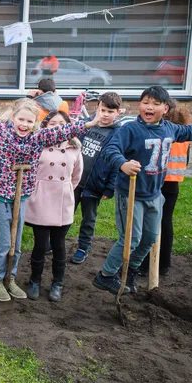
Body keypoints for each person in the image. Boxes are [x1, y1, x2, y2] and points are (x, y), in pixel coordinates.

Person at [0, 76, 101, 302]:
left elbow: (62, 132)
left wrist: (90, 123)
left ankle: (10, 279)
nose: (24, 124)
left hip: (21, 197)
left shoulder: (37, 137)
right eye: (20, 119)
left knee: (17, 243)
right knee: (4, 243)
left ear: (35, 122)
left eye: (28, 121)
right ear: (13, 118)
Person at [93, 85, 192, 294]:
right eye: (145, 103)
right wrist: (122, 164)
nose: (149, 107)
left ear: (166, 109)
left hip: (155, 195)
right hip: (131, 194)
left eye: (155, 104)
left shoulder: (169, 128)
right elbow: (110, 149)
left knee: (150, 238)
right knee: (131, 238)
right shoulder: (130, 130)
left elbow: (190, 131)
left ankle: (131, 271)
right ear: (140, 105)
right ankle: (106, 275)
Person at [23, 111, 83, 302]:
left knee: (59, 245)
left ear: (69, 127)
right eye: (52, 124)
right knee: (40, 244)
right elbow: (29, 172)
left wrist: (64, 189)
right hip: (41, 198)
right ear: (45, 127)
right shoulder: (38, 145)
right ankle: (35, 280)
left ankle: (57, 282)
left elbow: (76, 177)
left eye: (61, 123)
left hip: (62, 201)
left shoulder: (74, 149)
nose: (57, 127)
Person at [135, 101, 188, 277]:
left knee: (149, 223)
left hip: (158, 180)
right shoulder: (184, 136)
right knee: (166, 221)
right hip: (174, 184)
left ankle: (145, 263)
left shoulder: (164, 133)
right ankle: (164, 263)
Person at [71, 92, 124, 264]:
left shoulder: (118, 134)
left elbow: (117, 164)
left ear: (118, 112)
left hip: (94, 185)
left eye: (110, 111)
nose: (105, 115)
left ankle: (82, 247)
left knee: (88, 218)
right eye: (103, 110)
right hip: (75, 181)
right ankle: (55, 242)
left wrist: (110, 187)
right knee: (65, 213)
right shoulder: (87, 126)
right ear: (97, 108)